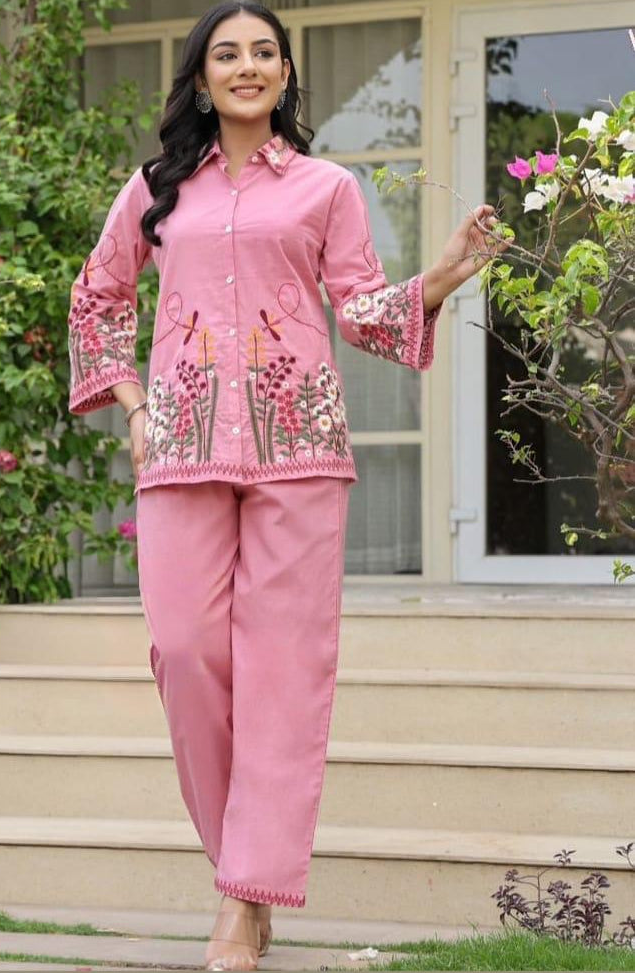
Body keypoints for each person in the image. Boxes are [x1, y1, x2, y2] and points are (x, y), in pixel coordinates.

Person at [67, 3, 505, 969]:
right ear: (200, 78)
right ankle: (245, 871)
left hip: (298, 449)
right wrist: (135, 408)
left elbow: (359, 310)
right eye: (229, 54)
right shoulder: (155, 189)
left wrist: (435, 278)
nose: (249, 66)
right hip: (179, 449)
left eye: (265, 52)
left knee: (282, 673)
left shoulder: (325, 188)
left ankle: (240, 902)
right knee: (183, 653)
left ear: (284, 74)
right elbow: (99, 295)